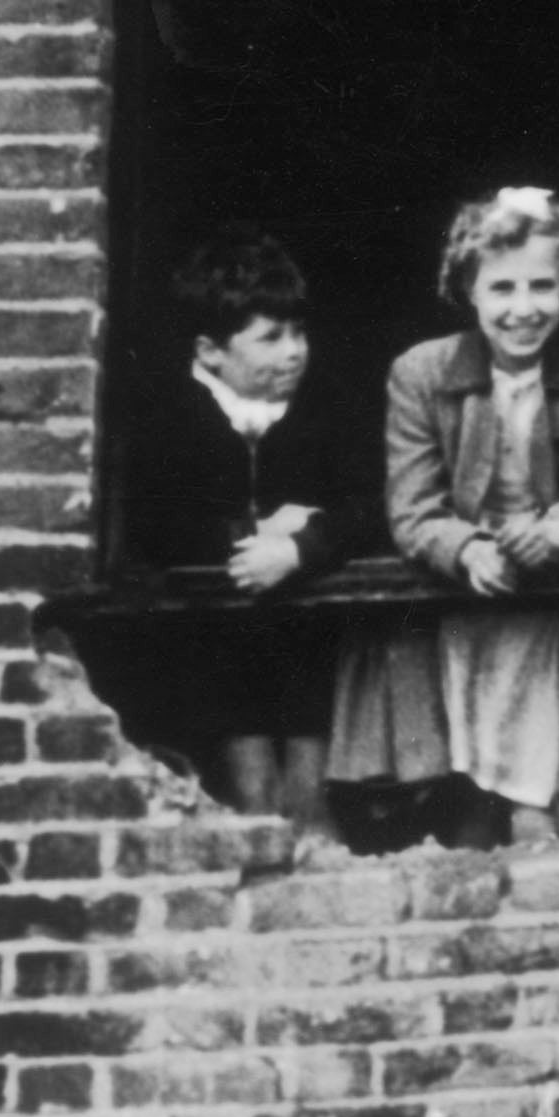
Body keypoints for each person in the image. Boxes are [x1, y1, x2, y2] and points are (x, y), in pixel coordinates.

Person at [324, 190, 559, 843]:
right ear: (468, 290)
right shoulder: (421, 372)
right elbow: (413, 505)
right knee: (465, 788)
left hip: (554, 608)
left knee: (548, 789)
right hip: (462, 605)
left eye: (541, 285)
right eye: (501, 287)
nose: (523, 307)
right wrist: (467, 547)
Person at [114, 227, 366, 824]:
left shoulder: (326, 406)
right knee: (253, 799)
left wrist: (305, 544)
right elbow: (154, 525)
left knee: (310, 803)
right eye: (272, 337)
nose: (295, 351)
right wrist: (250, 535)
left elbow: (372, 506)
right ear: (210, 353)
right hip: (211, 655)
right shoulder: (168, 415)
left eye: (300, 332)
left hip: (311, 645)